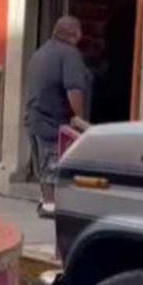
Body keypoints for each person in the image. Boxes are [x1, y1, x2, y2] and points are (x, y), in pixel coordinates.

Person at [26, 15, 91, 210]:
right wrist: (79, 120)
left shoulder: (40, 52)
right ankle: (52, 205)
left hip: (34, 119)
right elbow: (74, 89)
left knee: (43, 166)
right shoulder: (70, 54)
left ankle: (47, 202)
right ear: (74, 33)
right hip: (53, 123)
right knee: (54, 166)